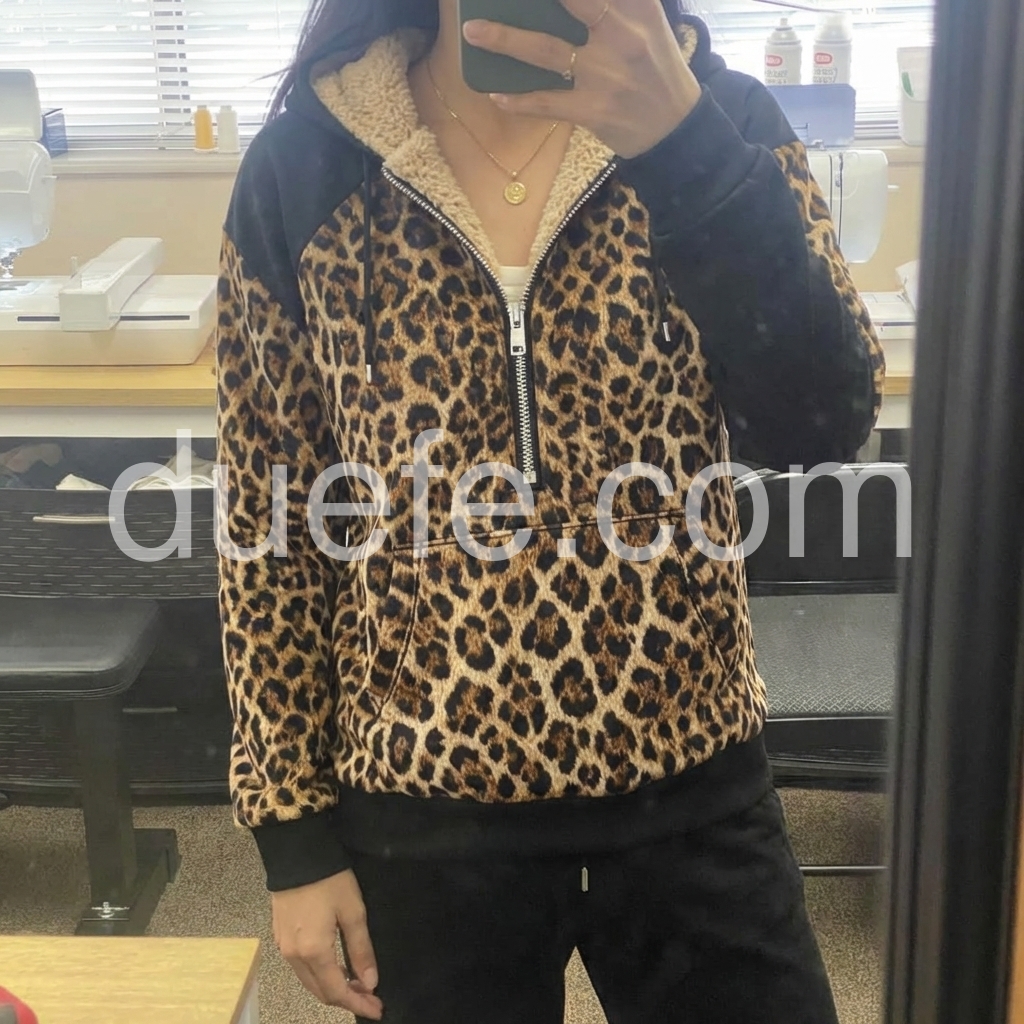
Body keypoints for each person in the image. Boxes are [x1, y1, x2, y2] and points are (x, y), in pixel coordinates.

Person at [216, 0, 886, 1021]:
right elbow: (265, 530)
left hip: (690, 781)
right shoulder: (307, 165)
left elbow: (820, 422)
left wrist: (682, 144)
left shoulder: (721, 119)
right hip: (422, 803)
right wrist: (292, 839)